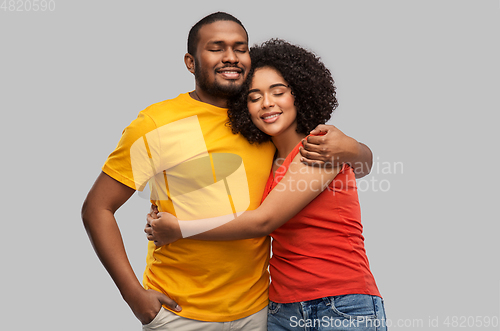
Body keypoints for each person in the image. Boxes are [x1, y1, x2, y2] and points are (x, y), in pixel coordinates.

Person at [82, 12, 374, 331]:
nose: (231, 57)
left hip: (263, 310)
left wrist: (354, 148)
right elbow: (98, 208)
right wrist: (134, 297)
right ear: (191, 62)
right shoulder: (157, 124)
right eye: (216, 47)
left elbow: (268, 217)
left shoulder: (273, 132)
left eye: (240, 47)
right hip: (180, 312)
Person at [145, 39, 386, 331]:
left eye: (278, 92)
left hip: (339, 304)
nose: (267, 103)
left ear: (300, 94)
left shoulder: (319, 147)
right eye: (254, 96)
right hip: (282, 307)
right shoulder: (269, 159)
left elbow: (263, 221)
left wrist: (180, 228)